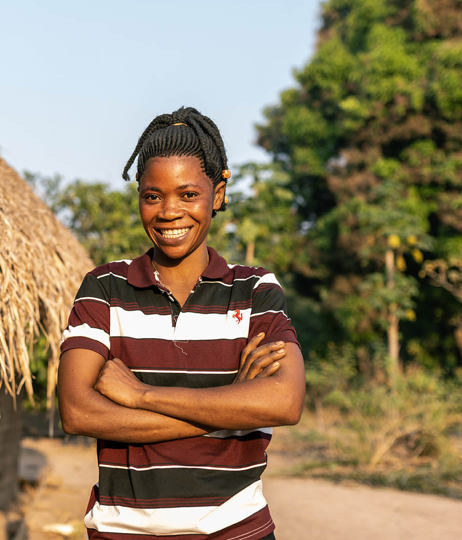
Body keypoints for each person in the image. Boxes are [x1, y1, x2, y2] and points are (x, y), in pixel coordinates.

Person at [57, 106, 305, 540]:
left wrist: (139, 395)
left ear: (219, 192)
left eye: (188, 194)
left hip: (235, 531)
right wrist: (230, 406)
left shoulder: (254, 291)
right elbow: (77, 412)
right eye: (152, 196)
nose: (169, 211)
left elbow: (284, 402)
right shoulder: (105, 288)